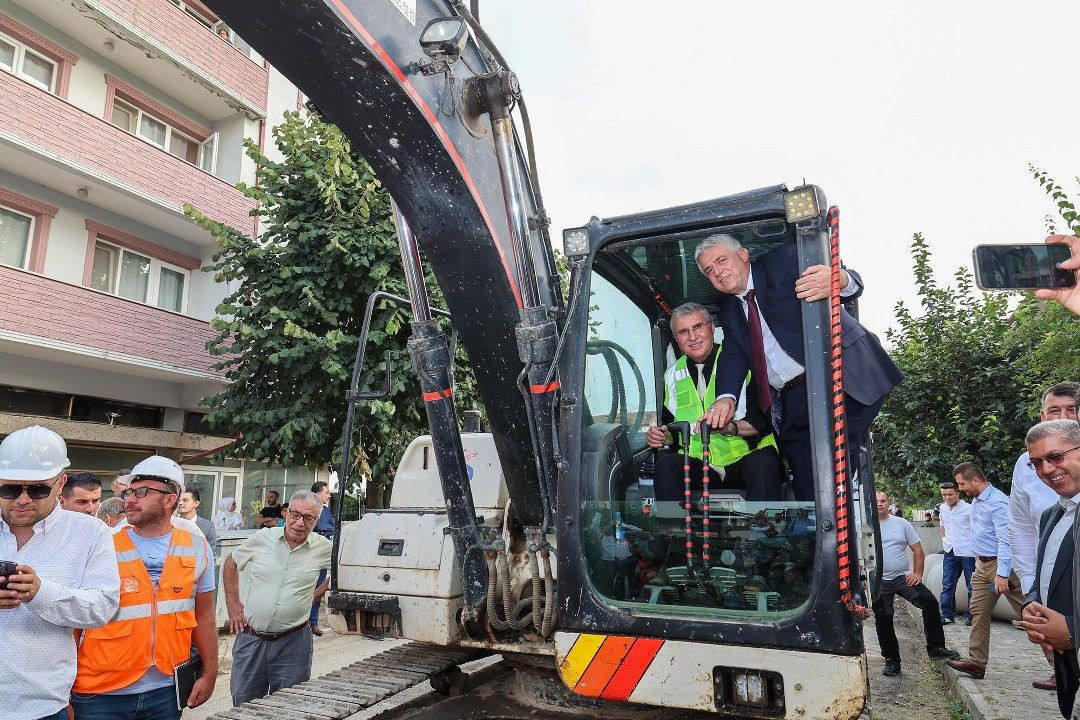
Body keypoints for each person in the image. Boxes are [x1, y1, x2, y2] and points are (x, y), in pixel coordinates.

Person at [695, 234, 903, 500]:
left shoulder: (785, 260)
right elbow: (733, 356)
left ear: (743, 255)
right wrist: (725, 398)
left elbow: (848, 280)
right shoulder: (730, 312)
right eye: (709, 271)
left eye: (721, 260)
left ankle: (843, 529)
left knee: (834, 474)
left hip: (839, 381)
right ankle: (818, 536)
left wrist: (840, 280)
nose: (718, 272)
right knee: (808, 488)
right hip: (791, 403)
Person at [71, 455, 217, 719]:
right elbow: (74, 620)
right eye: (129, 492)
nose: (130, 499)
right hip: (99, 693)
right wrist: (63, 688)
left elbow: (204, 616)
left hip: (166, 690)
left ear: (169, 499)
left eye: (141, 492)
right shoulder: (101, 545)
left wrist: (209, 673)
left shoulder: (198, 547)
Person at [0, 425, 120, 720]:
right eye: (9, 489)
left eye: (38, 489)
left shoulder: (90, 534)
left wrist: (40, 593)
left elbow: (103, 608)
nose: (23, 499)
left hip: (41, 705)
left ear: (60, 482)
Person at [645, 302, 784, 502]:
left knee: (764, 462)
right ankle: (674, 531)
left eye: (698, 327)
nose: (693, 337)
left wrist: (728, 428)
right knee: (666, 465)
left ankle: (764, 531)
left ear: (712, 328)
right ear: (676, 339)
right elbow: (672, 432)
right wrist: (661, 437)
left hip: (745, 459)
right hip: (699, 465)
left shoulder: (739, 362)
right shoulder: (672, 375)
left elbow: (763, 423)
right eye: (684, 332)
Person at [224, 490, 331, 706]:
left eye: (308, 518)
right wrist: (234, 606)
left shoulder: (323, 548)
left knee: (288, 708)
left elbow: (342, 574)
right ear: (286, 513)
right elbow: (231, 562)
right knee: (244, 707)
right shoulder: (262, 538)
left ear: (316, 520)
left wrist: (315, 596)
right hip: (251, 640)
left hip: (294, 644)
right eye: (295, 514)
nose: (299, 523)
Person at [1018, 419, 1080, 718]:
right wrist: (1033, 605)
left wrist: (1072, 631)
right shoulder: (1051, 516)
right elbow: (1049, 573)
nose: (1046, 469)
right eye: (1037, 463)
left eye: (1056, 457)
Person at [946, 462, 1030, 680]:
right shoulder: (977, 501)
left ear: (975, 480)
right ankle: (976, 663)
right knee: (978, 612)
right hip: (982, 567)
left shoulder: (998, 503)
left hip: (1001, 567)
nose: (960, 488)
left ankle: (1061, 669)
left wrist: (1002, 574)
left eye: (962, 483)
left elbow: (1006, 540)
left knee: (1029, 614)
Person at [871, 490, 960, 676]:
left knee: (929, 603)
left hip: (902, 578)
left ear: (889, 504)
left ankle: (936, 648)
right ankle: (892, 661)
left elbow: (918, 550)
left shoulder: (901, 524)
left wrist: (918, 573)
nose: (880, 504)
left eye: (883, 500)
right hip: (878, 582)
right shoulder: (864, 527)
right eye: (876, 501)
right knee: (884, 620)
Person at [938, 479, 974, 626]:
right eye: (944, 495)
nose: (947, 498)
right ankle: (947, 614)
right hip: (950, 550)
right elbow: (942, 525)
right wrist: (944, 540)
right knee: (947, 583)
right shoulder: (942, 508)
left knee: (971, 584)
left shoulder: (969, 508)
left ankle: (973, 615)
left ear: (958, 493)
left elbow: (975, 529)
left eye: (950, 494)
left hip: (967, 551)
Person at [309, 481, 336, 635]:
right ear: (318, 494)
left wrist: (325, 527)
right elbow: (318, 526)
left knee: (319, 588)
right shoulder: (310, 509)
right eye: (326, 492)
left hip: (323, 552)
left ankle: (313, 623)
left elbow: (333, 525)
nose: (329, 495)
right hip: (309, 552)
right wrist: (326, 527)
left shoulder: (325, 511)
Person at [178, 489, 218, 553]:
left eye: (185, 500)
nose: (180, 503)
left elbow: (211, 553)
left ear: (196, 503)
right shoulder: (172, 524)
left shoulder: (207, 526)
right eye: (178, 500)